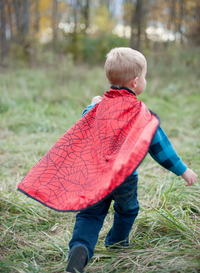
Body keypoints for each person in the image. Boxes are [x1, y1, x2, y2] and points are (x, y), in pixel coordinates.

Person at [66, 47, 197, 273]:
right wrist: (182, 170)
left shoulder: (97, 107)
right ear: (135, 82)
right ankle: (117, 244)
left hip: (94, 177)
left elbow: (85, 124)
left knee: (89, 215)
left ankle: (81, 248)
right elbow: (160, 148)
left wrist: (91, 104)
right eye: (145, 76)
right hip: (125, 179)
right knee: (127, 211)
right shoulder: (141, 113)